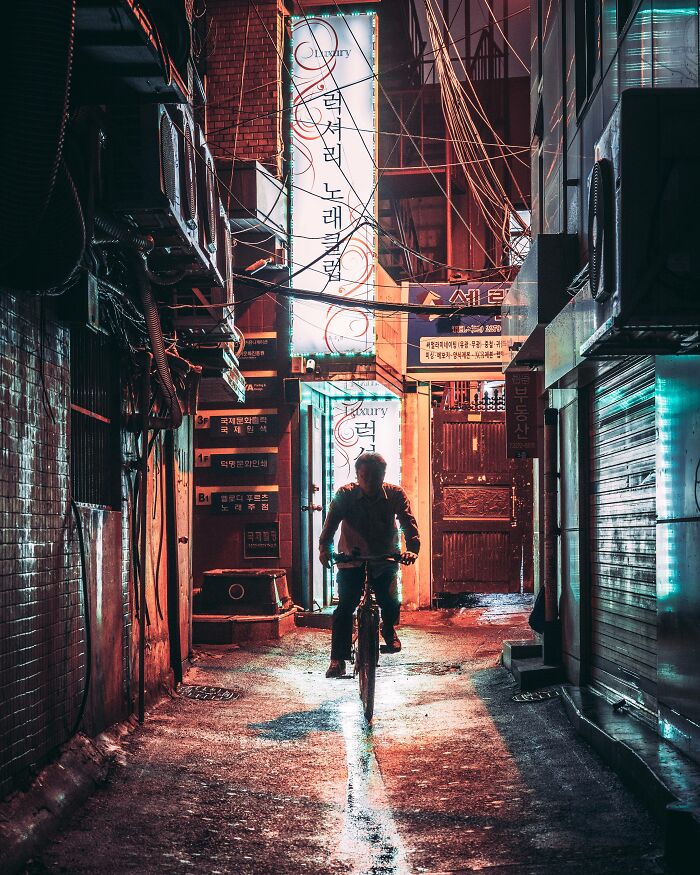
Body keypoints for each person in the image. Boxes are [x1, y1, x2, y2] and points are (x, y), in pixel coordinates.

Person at [318, 452, 420, 678]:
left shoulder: (395, 494)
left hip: (384, 558)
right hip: (351, 559)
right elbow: (330, 526)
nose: (371, 481)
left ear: (384, 475)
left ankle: (388, 628)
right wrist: (325, 549)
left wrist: (412, 549)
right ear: (357, 475)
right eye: (366, 476)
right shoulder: (344, 495)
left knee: (391, 602)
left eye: (377, 476)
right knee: (345, 607)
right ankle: (338, 659)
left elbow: (408, 524)